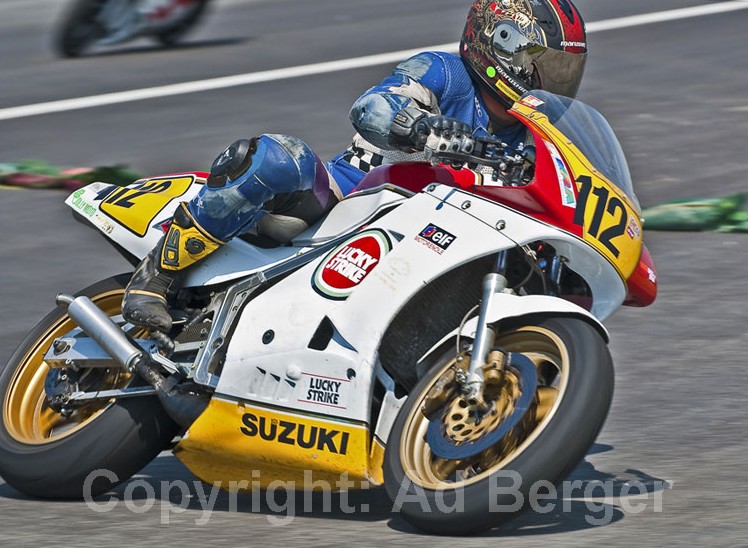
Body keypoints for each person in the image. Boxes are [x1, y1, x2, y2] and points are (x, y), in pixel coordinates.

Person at [122, 0, 588, 332]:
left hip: (442, 239)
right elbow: (373, 108)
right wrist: (424, 128)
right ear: (500, 46)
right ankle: (158, 276)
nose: (555, 83)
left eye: (566, 71)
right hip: (349, 203)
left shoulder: (537, 136)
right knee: (276, 158)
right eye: (545, 65)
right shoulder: (443, 73)